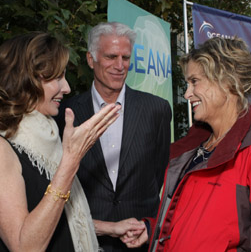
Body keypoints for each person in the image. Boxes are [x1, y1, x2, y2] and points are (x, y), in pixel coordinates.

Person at [121, 37, 251, 251]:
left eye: (195, 81)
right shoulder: (194, 150)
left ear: (227, 82)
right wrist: (155, 231)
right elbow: (199, 224)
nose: (187, 94)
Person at [0, 32, 144, 252]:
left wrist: (110, 228)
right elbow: (26, 245)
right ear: (25, 80)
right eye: (57, 78)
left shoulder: (47, 138)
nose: (67, 88)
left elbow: (59, 220)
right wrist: (70, 162)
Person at [55, 22, 172, 251]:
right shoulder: (65, 113)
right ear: (91, 59)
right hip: (85, 240)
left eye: (125, 58)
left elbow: (160, 172)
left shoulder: (156, 109)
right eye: (110, 56)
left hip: (139, 239)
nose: (120, 66)